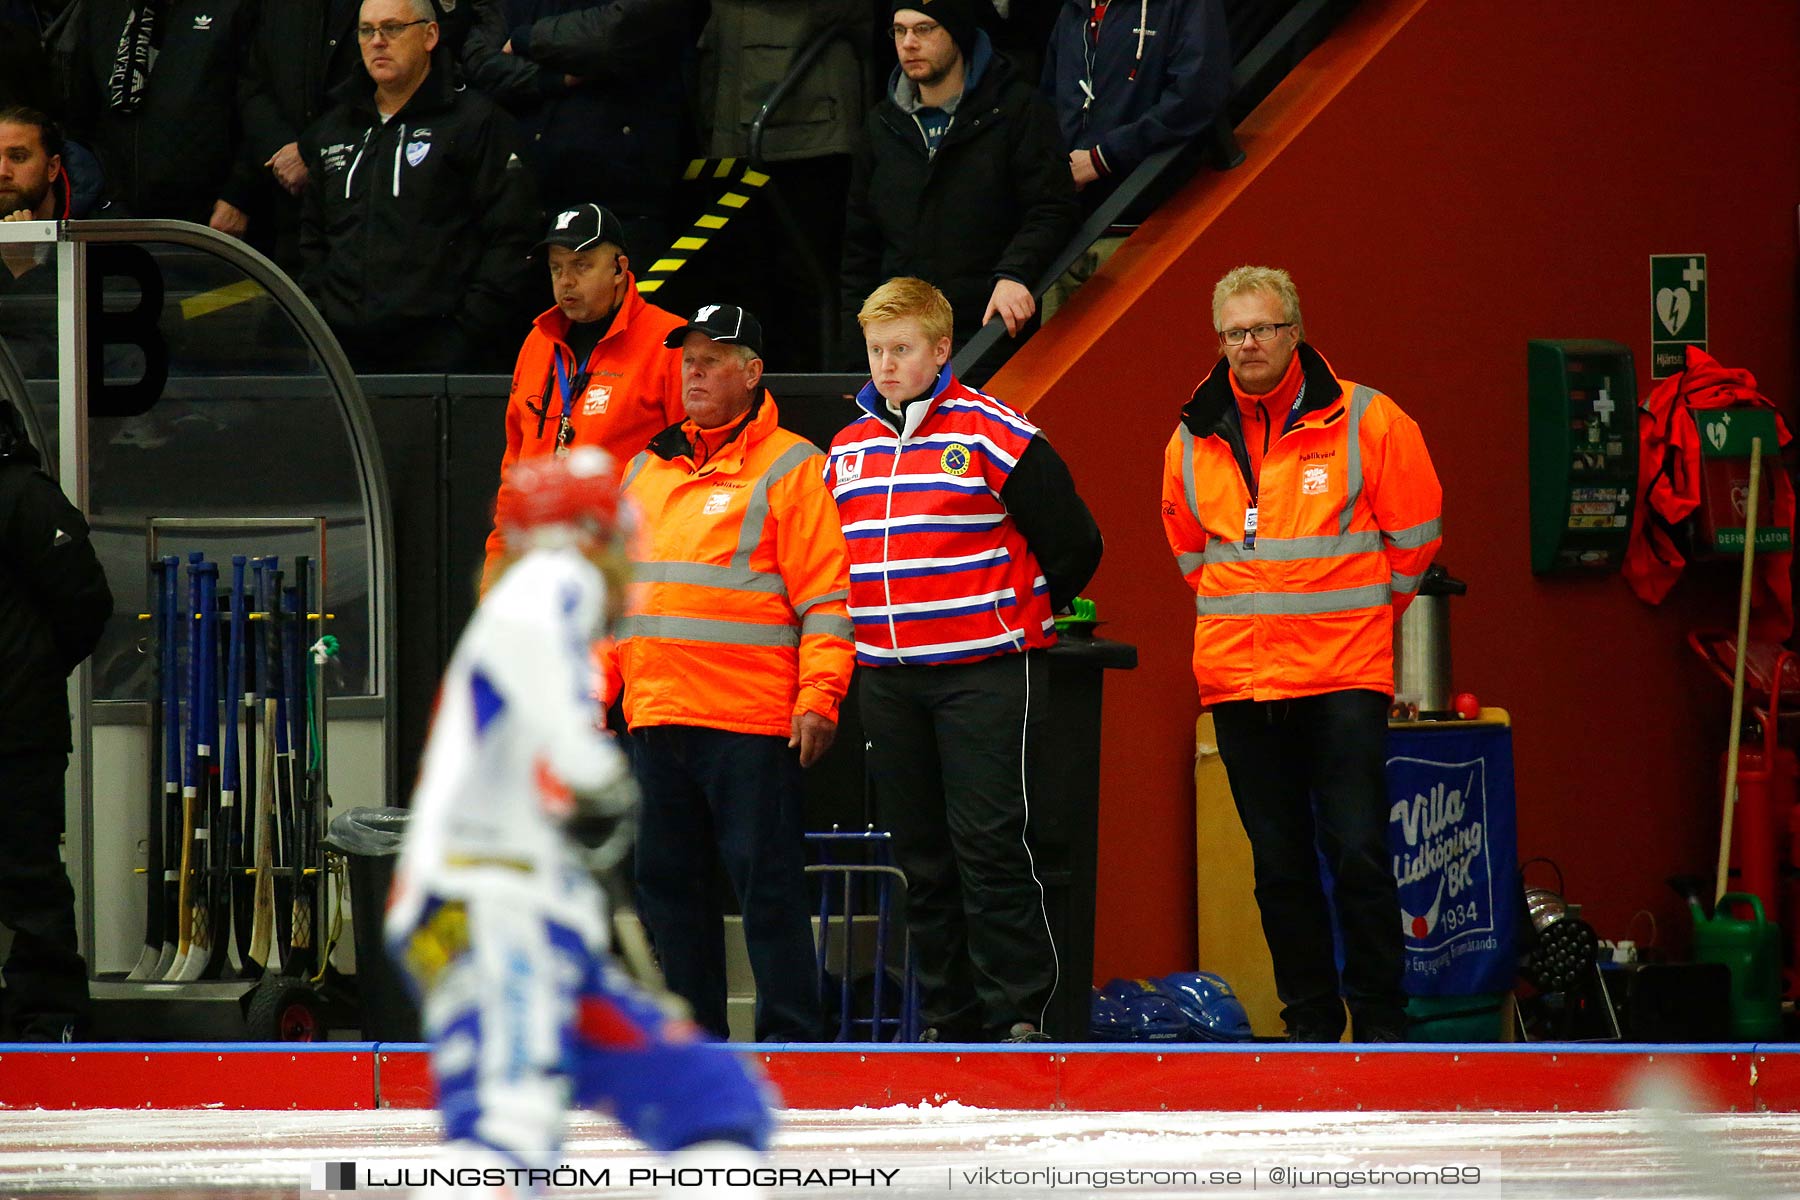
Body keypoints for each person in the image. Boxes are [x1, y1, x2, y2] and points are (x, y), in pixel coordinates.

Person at [386, 445, 772, 1196]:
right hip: (486, 905)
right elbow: (566, 743)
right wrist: (593, 777)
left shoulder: (519, 598)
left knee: (713, 1103)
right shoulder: (551, 585)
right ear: (590, 528)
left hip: (520, 911)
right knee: (510, 1119)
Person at [1160, 265, 1442, 1043]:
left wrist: (1348, 614)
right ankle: (1311, 1026)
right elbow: (1191, 553)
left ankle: (1384, 1026)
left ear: (1296, 332)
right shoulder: (1193, 432)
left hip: (1344, 672)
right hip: (1241, 679)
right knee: (1279, 869)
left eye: (1263, 328)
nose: (1248, 344)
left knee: (1357, 852)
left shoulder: (1370, 420)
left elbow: (1414, 542)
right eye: (1234, 332)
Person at [823, 277, 1102, 1042]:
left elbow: (1076, 539)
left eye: (902, 349)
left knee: (991, 845)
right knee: (919, 855)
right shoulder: (845, 451)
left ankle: (1017, 1015)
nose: (885, 365)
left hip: (984, 670)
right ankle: (947, 1020)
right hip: (886, 675)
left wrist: (1021, 610)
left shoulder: (991, 428)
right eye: (877, 350)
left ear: (942, 350)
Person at [615, 304, 854, 1043]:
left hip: (749, 722)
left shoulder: (793, 465)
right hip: (654, 716)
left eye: (714, 359)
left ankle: (795, 1048)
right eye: (688, 358)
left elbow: (827, 596)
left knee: (769, 893)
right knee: (666, 896)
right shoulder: (644, 469)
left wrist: (820, 696)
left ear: (752, 373)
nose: (695, 370)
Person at [298, 0, 539, 373]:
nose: (377, 41)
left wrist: (465, 335)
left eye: (392, 28)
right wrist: (321, 321)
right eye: (366, 30)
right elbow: (312, 239)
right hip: (343, 360)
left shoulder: (475, 122)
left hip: (446, 361)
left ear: (430, 35)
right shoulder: (333, 130)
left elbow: (513, 238)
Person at [839, 0, 1078, 358]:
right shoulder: (880, 125)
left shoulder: (1018, 110)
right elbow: (860, 248)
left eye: (925, 29)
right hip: (901, 343)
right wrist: (855, 356)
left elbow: (1052, 207)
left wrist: (1015, 273)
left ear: (958, 33)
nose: (908, 43)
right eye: (899, 31)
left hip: (989, 331)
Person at [480, 204, 685, 591]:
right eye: (557, 269)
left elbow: (696, 469)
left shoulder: (669, 340)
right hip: (537, 575)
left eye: (582, 266)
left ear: (620, 269)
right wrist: (497, 576)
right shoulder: (537, 343)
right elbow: (514, 477)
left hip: (625, 575)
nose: (566, 282)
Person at [0, 399, 113, 1042]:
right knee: (30, 876)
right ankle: (47, 1018)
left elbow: (85, 601)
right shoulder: (23, 494)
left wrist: (34, 671)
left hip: (18, 729)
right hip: (21, 716)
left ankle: (50, 1026)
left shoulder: (22, 495)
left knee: (28, 877)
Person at [465, 0, 700, 253]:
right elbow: (480, 61)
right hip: (531, 208)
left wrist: (526, 39)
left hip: (625, 206)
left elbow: (614, 34)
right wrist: (552, 78)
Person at [67, 0, 260, 232]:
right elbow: (80, 117)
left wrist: (239, 196)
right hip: (115, 215)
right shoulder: (101, 10)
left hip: (207, 217)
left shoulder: (232, 8)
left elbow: (257, 106)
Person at [1042, 0, 1231, 208]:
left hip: (1155, 205)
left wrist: (1104, 157)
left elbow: (1196, 95)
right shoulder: (1073, 10)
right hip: (1074, 210)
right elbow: (1051, 99)